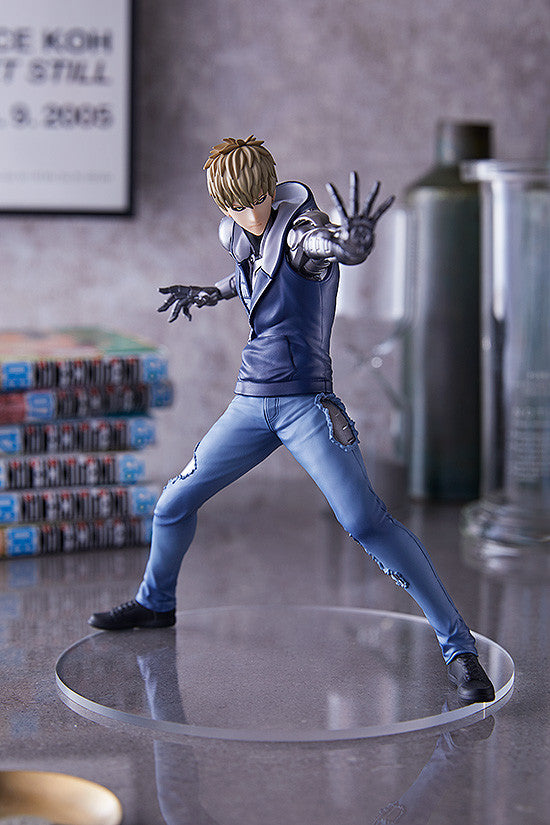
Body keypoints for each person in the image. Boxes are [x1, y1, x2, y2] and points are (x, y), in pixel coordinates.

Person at [89, 136, 495, 704]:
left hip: (306, 406)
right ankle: (155, 603)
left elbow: (325, 249)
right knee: (172, 503)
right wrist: (209, 293)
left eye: (251, 200)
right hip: (250, 402)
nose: (244, 213)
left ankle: (459, 649)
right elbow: (251, 277)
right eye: (231, 205)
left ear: (268, 188)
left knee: (365, 521)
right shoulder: (240, 234)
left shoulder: (303, 232)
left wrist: (351, 243)